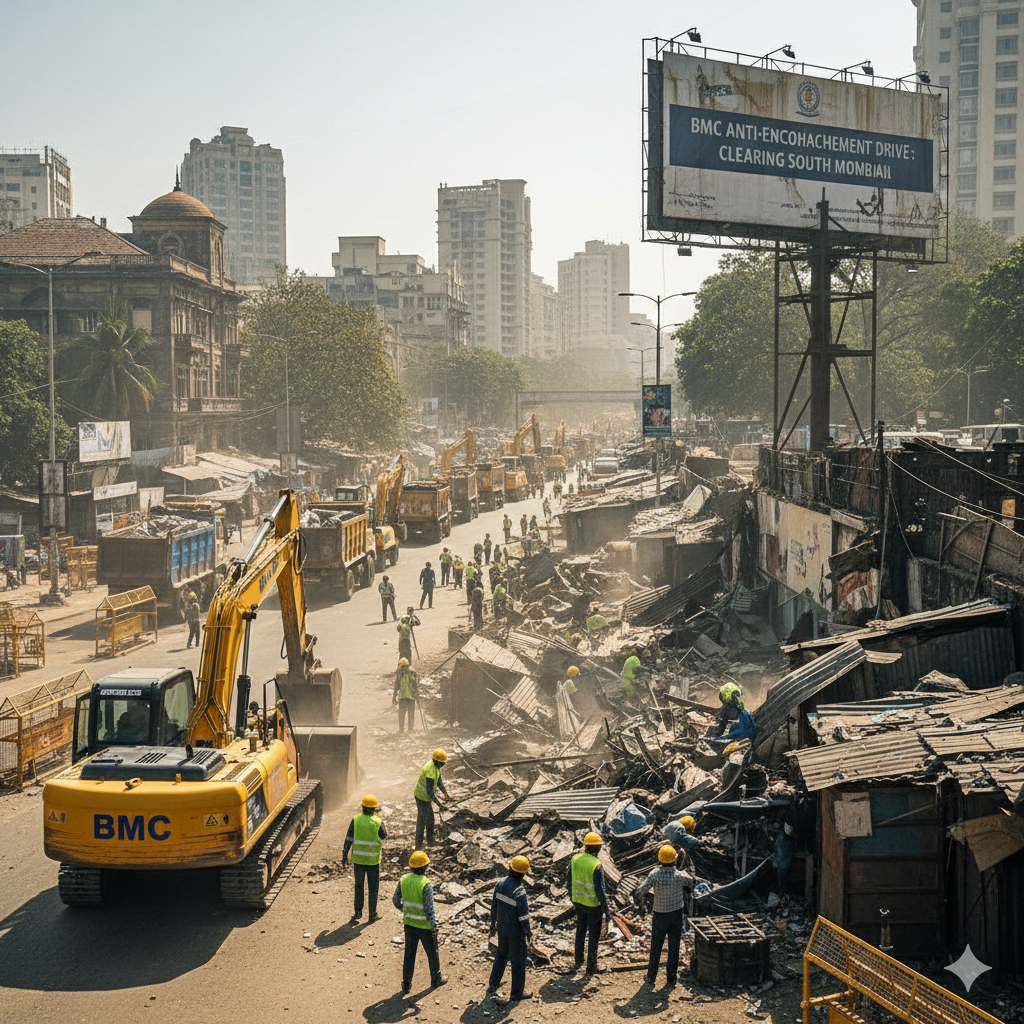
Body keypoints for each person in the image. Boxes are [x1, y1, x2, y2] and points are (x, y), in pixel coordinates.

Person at [633, 845, 694, 990]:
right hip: (676, 915)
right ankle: (671, 978)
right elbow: (691, 881)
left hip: (660, 915)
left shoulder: (654, 874)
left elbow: (641, 891)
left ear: (660, 859)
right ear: (675, 860)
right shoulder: (680, 875)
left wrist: (639, 904)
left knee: (656, 946)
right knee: (674, 947)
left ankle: (651, 977)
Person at [393, 850, 446, 994]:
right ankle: (436, 979)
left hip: (409, 924)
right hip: (425, 927)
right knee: (432, 953)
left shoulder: (403, 879)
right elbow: (429, 910)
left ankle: (406, 984)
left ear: (411, 866)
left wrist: (406, 910)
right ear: (425, 867)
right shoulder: (426, 884)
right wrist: (434, 926)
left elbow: (396, 900)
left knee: (409, 955)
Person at [488, 855, 533, 1002]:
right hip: (516, 932)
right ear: (523, 873)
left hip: (502, 928)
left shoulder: (500, 884)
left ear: (510, 868)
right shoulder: (519, 891)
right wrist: (528, 934)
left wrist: (492, 924)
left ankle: (493, 984)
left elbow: (494, 905)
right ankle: (517, 994)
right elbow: (523, 917)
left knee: (501, 955)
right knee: (518, 962)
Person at [567, 832, 610, 975]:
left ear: (585, 846)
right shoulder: (596, 865)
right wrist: (606, 909)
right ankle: (591, 967)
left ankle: (578, 960)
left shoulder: (575, 859)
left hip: (578, 902)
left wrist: (572, 897)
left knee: (580, 931)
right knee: (593, 936)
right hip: (593, 905)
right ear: (598, 848)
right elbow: (600, 890)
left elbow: (568, 880)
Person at [342, 794, 387, 923]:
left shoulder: (356, 820)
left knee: (359, 887)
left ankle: (358, 912)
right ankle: (372, 914)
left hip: (358, 861)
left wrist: (344, 854)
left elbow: (349, 838)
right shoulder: (377, 822)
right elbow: (384, 835)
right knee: (373, 888)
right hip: (373, 861)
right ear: (374, 809)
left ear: (362, 807)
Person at [413, 748, 450, 848]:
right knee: (429, 820)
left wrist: (446, 794)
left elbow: (439, 781)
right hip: (422, 797)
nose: (443, 765)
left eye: (443, 763)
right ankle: (429, 842)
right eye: (442, 763)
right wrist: (440, 805)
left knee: (422, 819)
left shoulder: (435, 766)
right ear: (437, 761)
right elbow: (429, 792)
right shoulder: (430, 770)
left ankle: (419, 843)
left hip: (423, 795)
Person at [712, 682, 756, 748]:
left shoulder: (726, 708)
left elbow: (722, 726)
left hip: (738, 737)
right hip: (748, 737)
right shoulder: (743, 710)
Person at [393, 657, 418, 734]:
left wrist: (417, 695)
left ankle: (410, 729)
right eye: (402, 667)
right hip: (403, 696)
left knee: (410, 713)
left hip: (410, 696)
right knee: (402, 714)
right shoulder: (400, 672)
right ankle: (401, 730)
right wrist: (394, 695)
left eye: (404, 667)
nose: (403, 669)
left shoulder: (412, 672)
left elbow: (415, 685)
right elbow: (397, 684)